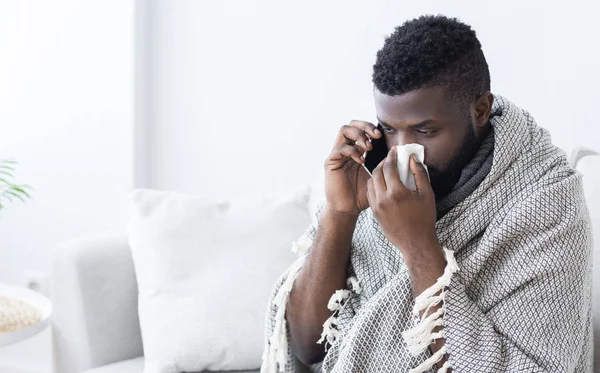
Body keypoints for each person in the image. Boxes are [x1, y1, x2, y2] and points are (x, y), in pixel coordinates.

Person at [261, 14, 593, 373]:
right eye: (389, 129)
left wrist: (418, 245)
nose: (402, 152)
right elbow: (308, 345)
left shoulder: (547, 201)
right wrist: (340, 214)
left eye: (425, 130)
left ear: (479, 109)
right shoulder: (373, 183)